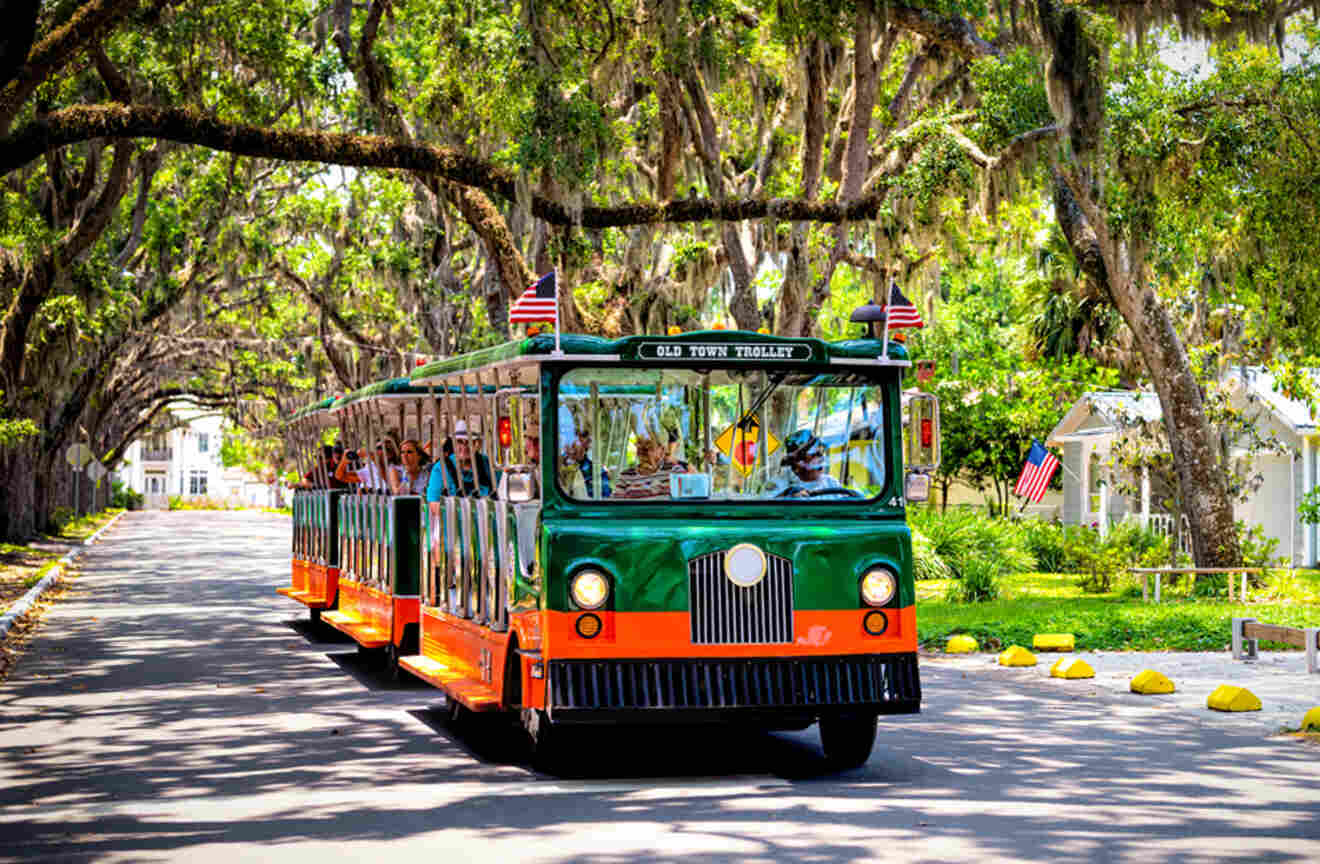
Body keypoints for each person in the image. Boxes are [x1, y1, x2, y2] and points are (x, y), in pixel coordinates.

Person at [426, 419, 494, 499]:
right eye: (459, 441)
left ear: (477, 444)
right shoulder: (441, 469)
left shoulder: (486, 464)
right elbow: (433, 501)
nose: (464, 446)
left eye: (470, 441)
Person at [613, 431, 690, 499]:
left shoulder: (674, 471)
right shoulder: (626, 476)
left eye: (648, 448)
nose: (643, 453)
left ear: (662, 450)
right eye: (640, 448)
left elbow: (690, 495)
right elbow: (615, 505)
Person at [778, 430, 845, 497]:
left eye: (820, 453)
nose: (821, 458)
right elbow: (769, 502)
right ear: (797, 462)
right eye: (814, 454)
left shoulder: (831, 482)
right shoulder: (782, 483)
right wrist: (789, 495)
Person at [336, 434, 402, 492]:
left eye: (387, 449)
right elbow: (340, 476)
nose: (382, 451)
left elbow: (386, 478)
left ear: (392, 453)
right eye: (379, 448)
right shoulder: (370, 469)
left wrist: (371, 456)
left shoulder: (397, 468)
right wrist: (344, 461)